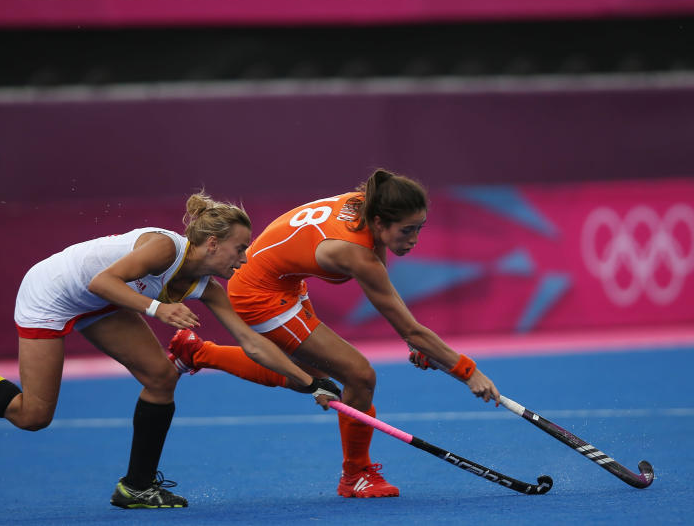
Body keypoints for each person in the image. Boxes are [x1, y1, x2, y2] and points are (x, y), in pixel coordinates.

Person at [0, 193, 341, 509]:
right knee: (32, 416)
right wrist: (157, 311)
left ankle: (137, 487)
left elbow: (253, 343)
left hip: (104, 302)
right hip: (52, 293)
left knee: (162, 377)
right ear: (211, 243)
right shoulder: (164, 247)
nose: (243, 259)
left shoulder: (208, 287)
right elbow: (99, 281)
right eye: (239, 249)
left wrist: (309, 383)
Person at [165, 169, 501, 498]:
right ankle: (356, 475)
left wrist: (418, 344)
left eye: (419, 228)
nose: (414, 240)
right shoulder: (354, 251)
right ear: (381, 223)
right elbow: (410, 326)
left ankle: (196, 352)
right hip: (259, 292)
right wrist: (468, 372)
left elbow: (397, 311)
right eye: (407, 230)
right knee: (359, 375)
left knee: (307, 378)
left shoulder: (369, 207)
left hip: (283, 281)